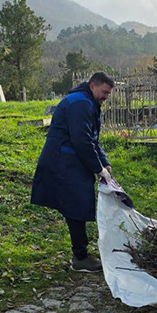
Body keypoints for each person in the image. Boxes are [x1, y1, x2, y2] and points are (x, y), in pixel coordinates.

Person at [31, 72, 114, 272]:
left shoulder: (87, 102)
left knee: (77, 204)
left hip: (71, 160)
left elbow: (92, 138)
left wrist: (104, 162)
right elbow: (82, 141)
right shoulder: (80, 104)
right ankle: (80, 257)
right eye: (104, 92)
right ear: (93, 86)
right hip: (63, 161)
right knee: (76, 206)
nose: (106, 97)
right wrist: (98, 168)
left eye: (109, 94)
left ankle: (80, 253)